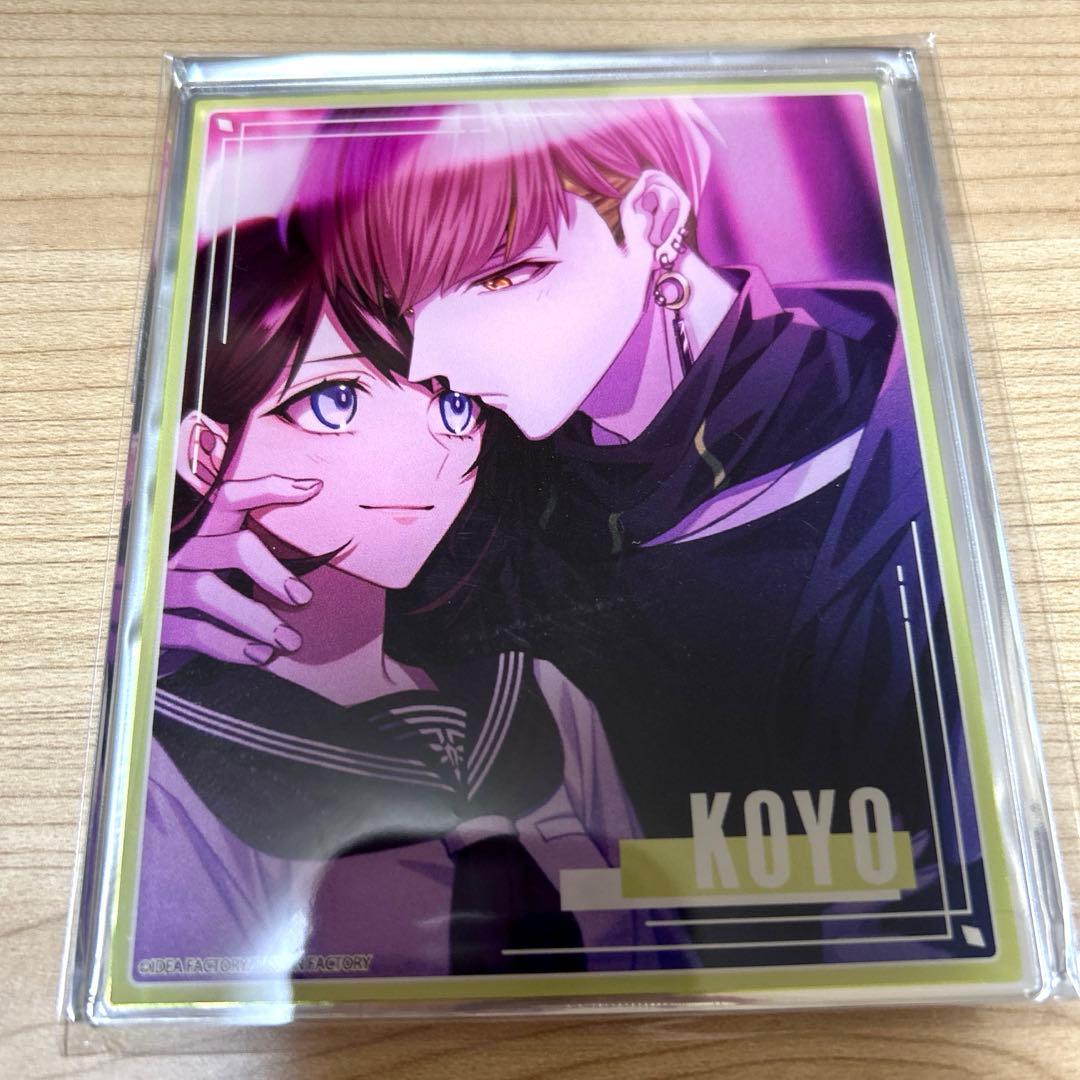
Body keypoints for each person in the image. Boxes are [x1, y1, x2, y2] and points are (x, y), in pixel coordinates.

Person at [283, 97, 990, 962]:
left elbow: (939, 900)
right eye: (400, 307)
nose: (434, 358)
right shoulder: (469, 480)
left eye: (498, 278)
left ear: (652, 216)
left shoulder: (904, 447)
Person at [133, 215, 679, 987]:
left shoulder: (542, 697)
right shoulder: (163, 754)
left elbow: (659, 958)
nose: (426, 455)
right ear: (206, 450)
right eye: (333, 404)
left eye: (452, 404)